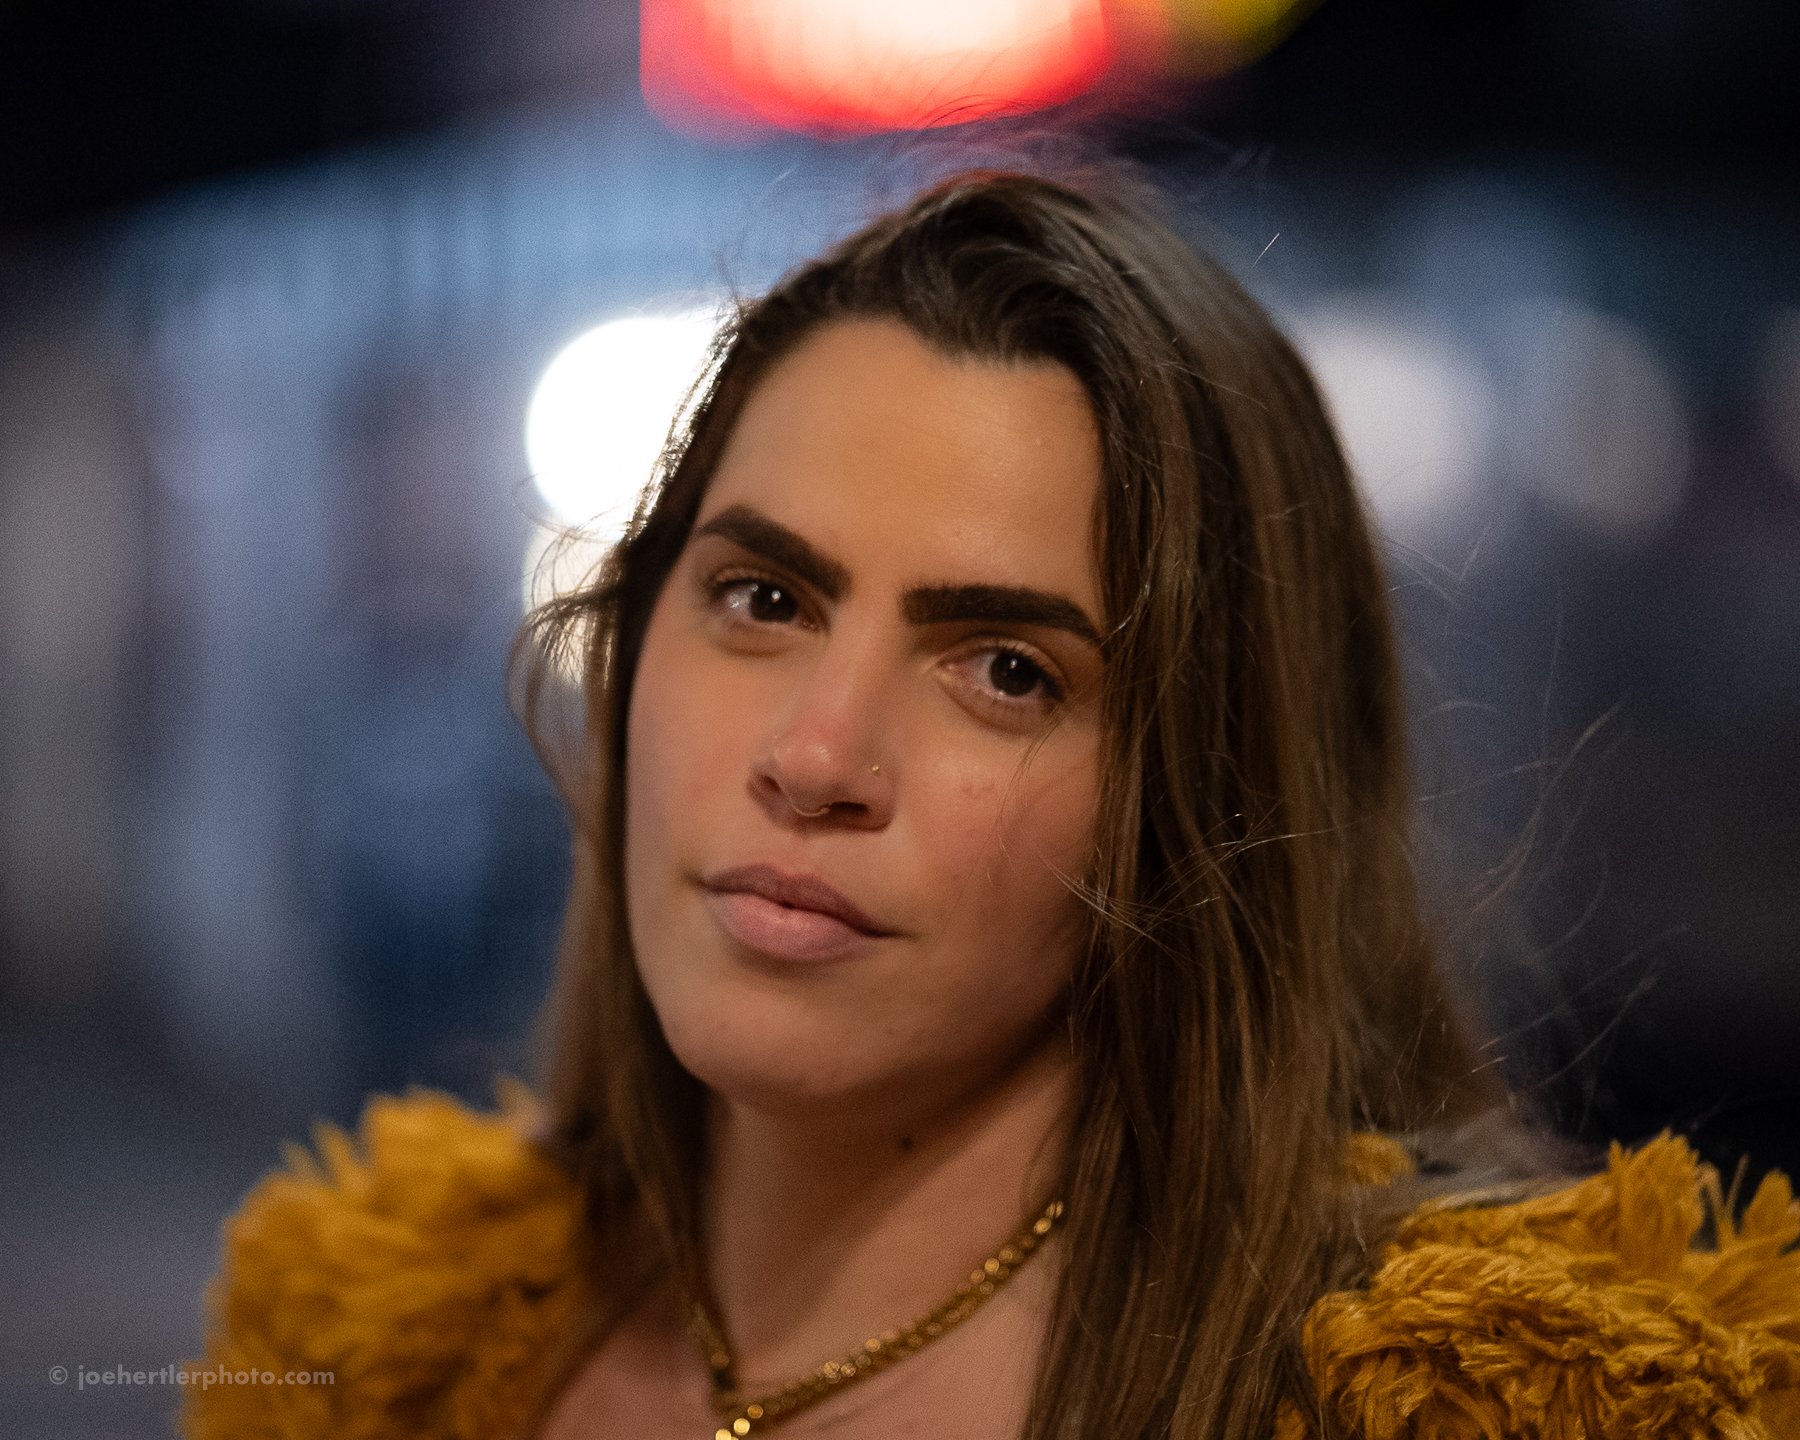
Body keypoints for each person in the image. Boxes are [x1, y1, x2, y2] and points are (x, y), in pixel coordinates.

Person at [182, 170, 1800, 1440]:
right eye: (761, 599)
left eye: (1008, 670)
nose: (816, 758)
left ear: (1210, 792)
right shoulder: (364, 1350)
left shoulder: (1497, 1410)